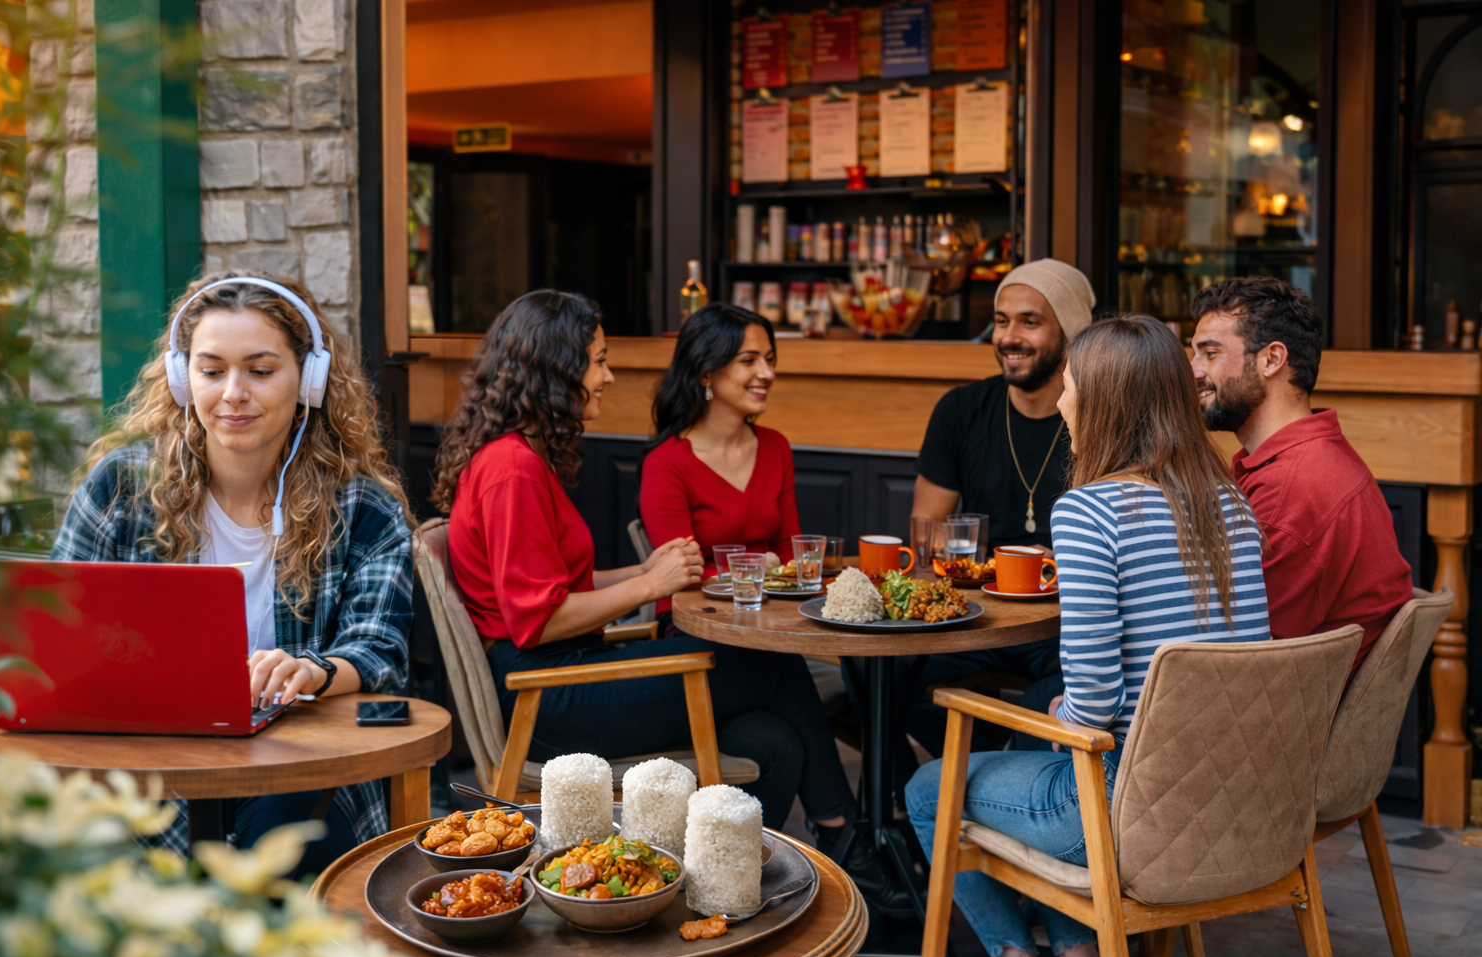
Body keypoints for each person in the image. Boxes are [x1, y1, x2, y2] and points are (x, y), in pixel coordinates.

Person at [432, 289, 910, 913]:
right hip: (549, 697)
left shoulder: (518, 460)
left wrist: (642, 570)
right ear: (556, 368)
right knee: (769, 665)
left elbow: (555, 588)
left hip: (560, 680)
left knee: (774, 743)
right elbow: (538, 621)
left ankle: (725, 890)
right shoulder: (514, 470)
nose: (608, 375)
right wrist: (650, 586)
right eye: (598, 360)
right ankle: (856, 852)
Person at [906, 314, 1270, 957]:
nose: (1064, 401)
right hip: (1235, 806)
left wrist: (1056, 718)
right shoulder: (1231, 503)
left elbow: (1096, 700)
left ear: (1101, 402)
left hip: (1129, 815)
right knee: (1036, 740)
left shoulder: (1089, 512)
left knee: (928, 790)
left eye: (1071, 387)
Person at [52, 273, 415, 871]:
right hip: (150, 763)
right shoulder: (119, 488)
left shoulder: (362, 509)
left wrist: (311, 670)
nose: (233, 393)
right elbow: (55, 629)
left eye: (261, 370)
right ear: (180, 376)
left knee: (286, 833)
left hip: (298, 761)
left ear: (310, 380)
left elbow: (378, 650)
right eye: (212, 370)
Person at [905, 259, 1097, 769]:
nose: (1009, 336)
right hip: (979, 615)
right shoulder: (961, 410)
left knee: (1059, 702)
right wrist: (951, 568)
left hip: (1064, 623)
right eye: (1002, 319)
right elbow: (925, 537)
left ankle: (1015, 803)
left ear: (1071, 332)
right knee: (891, 678)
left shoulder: (1099, 418)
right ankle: (975, 775)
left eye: (1030, 322)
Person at [1190, 277, 1411, 671]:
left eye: (1210, 353)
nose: (1193, 371)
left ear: (1272, 360)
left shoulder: (1294, 488)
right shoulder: (1307, 459)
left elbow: (1238, 654)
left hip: (1273, 719)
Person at [639, 302, 799, 627]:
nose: (768, 373)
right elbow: (682, 573)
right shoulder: (666, 463)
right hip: (696, 622)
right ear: (706, 373)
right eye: (748, 360)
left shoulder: (775, 447)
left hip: (767, 615)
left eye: (769, 360)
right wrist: (759, 568)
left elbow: (789, 551)